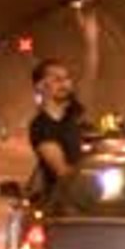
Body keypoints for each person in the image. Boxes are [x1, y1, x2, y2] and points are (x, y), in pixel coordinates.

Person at [27, 59, 89, 199]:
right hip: (63, 205)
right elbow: (62, 172)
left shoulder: (73, 120)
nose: (64, 83)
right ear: (40, 87)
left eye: (66, 78)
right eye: (56, 79)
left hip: (85, 199)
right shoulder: (42, 126)